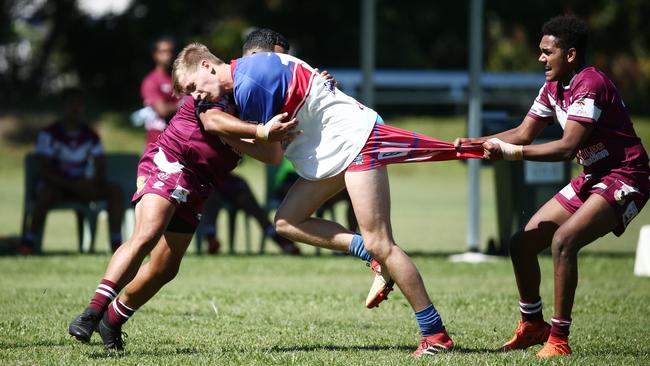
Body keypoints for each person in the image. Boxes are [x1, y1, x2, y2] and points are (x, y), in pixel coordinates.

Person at [172, 43, 483, 357]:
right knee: (287, 221)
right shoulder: (250, 74)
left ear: (207, 67)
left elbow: (270, 154)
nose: (195, 97)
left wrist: (228, 136)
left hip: (357, 142)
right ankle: (370, 255)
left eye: (193, 88)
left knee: (382, 242)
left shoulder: (249, 85)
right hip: (333, 149)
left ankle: (435, 334)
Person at [454, 15, 649, 358]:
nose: (540, 58)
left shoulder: (590, 85)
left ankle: (558, 339)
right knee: (521, 244)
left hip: (626, 176)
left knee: (564, 241)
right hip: (593, 176)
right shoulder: (553, 87)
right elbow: (522, 133)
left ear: (570, 54)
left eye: (547, 52)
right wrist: (475, 143)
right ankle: (532, 326)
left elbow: (565, 148)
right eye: (540, 51)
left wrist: (510, 154)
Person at [67, 85, 298, 350]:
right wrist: (257, 132)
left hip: (200, 185)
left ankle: (111, 320)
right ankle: (92, 311)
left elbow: (272, 154)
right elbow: (213, 122)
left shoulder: (264, 102)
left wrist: (241, 133)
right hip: (172, 164)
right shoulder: (215, 89)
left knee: (165, 267)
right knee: (147, 234)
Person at [20, 87, 124, 254]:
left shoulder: (90, 135)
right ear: (63, 106)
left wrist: (91, 182)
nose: (76, 108)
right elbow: (46, 171)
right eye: (71, 104)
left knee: (115, 191)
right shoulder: (49, 134)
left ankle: (116, 244)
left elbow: (100, 166)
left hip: (81, 187)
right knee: (45, 192)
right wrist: (72, 185)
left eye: (79, 104)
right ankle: (29, 242)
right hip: (57, 187)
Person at [139, 36, 182, 145]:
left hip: (180, 139)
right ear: (155, 55)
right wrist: (183, 105)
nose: (168, 55)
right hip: (157, 141)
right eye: (163, 51)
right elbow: (162, 110)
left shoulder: (181, 78)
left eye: (171, 51)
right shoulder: (150, 81)